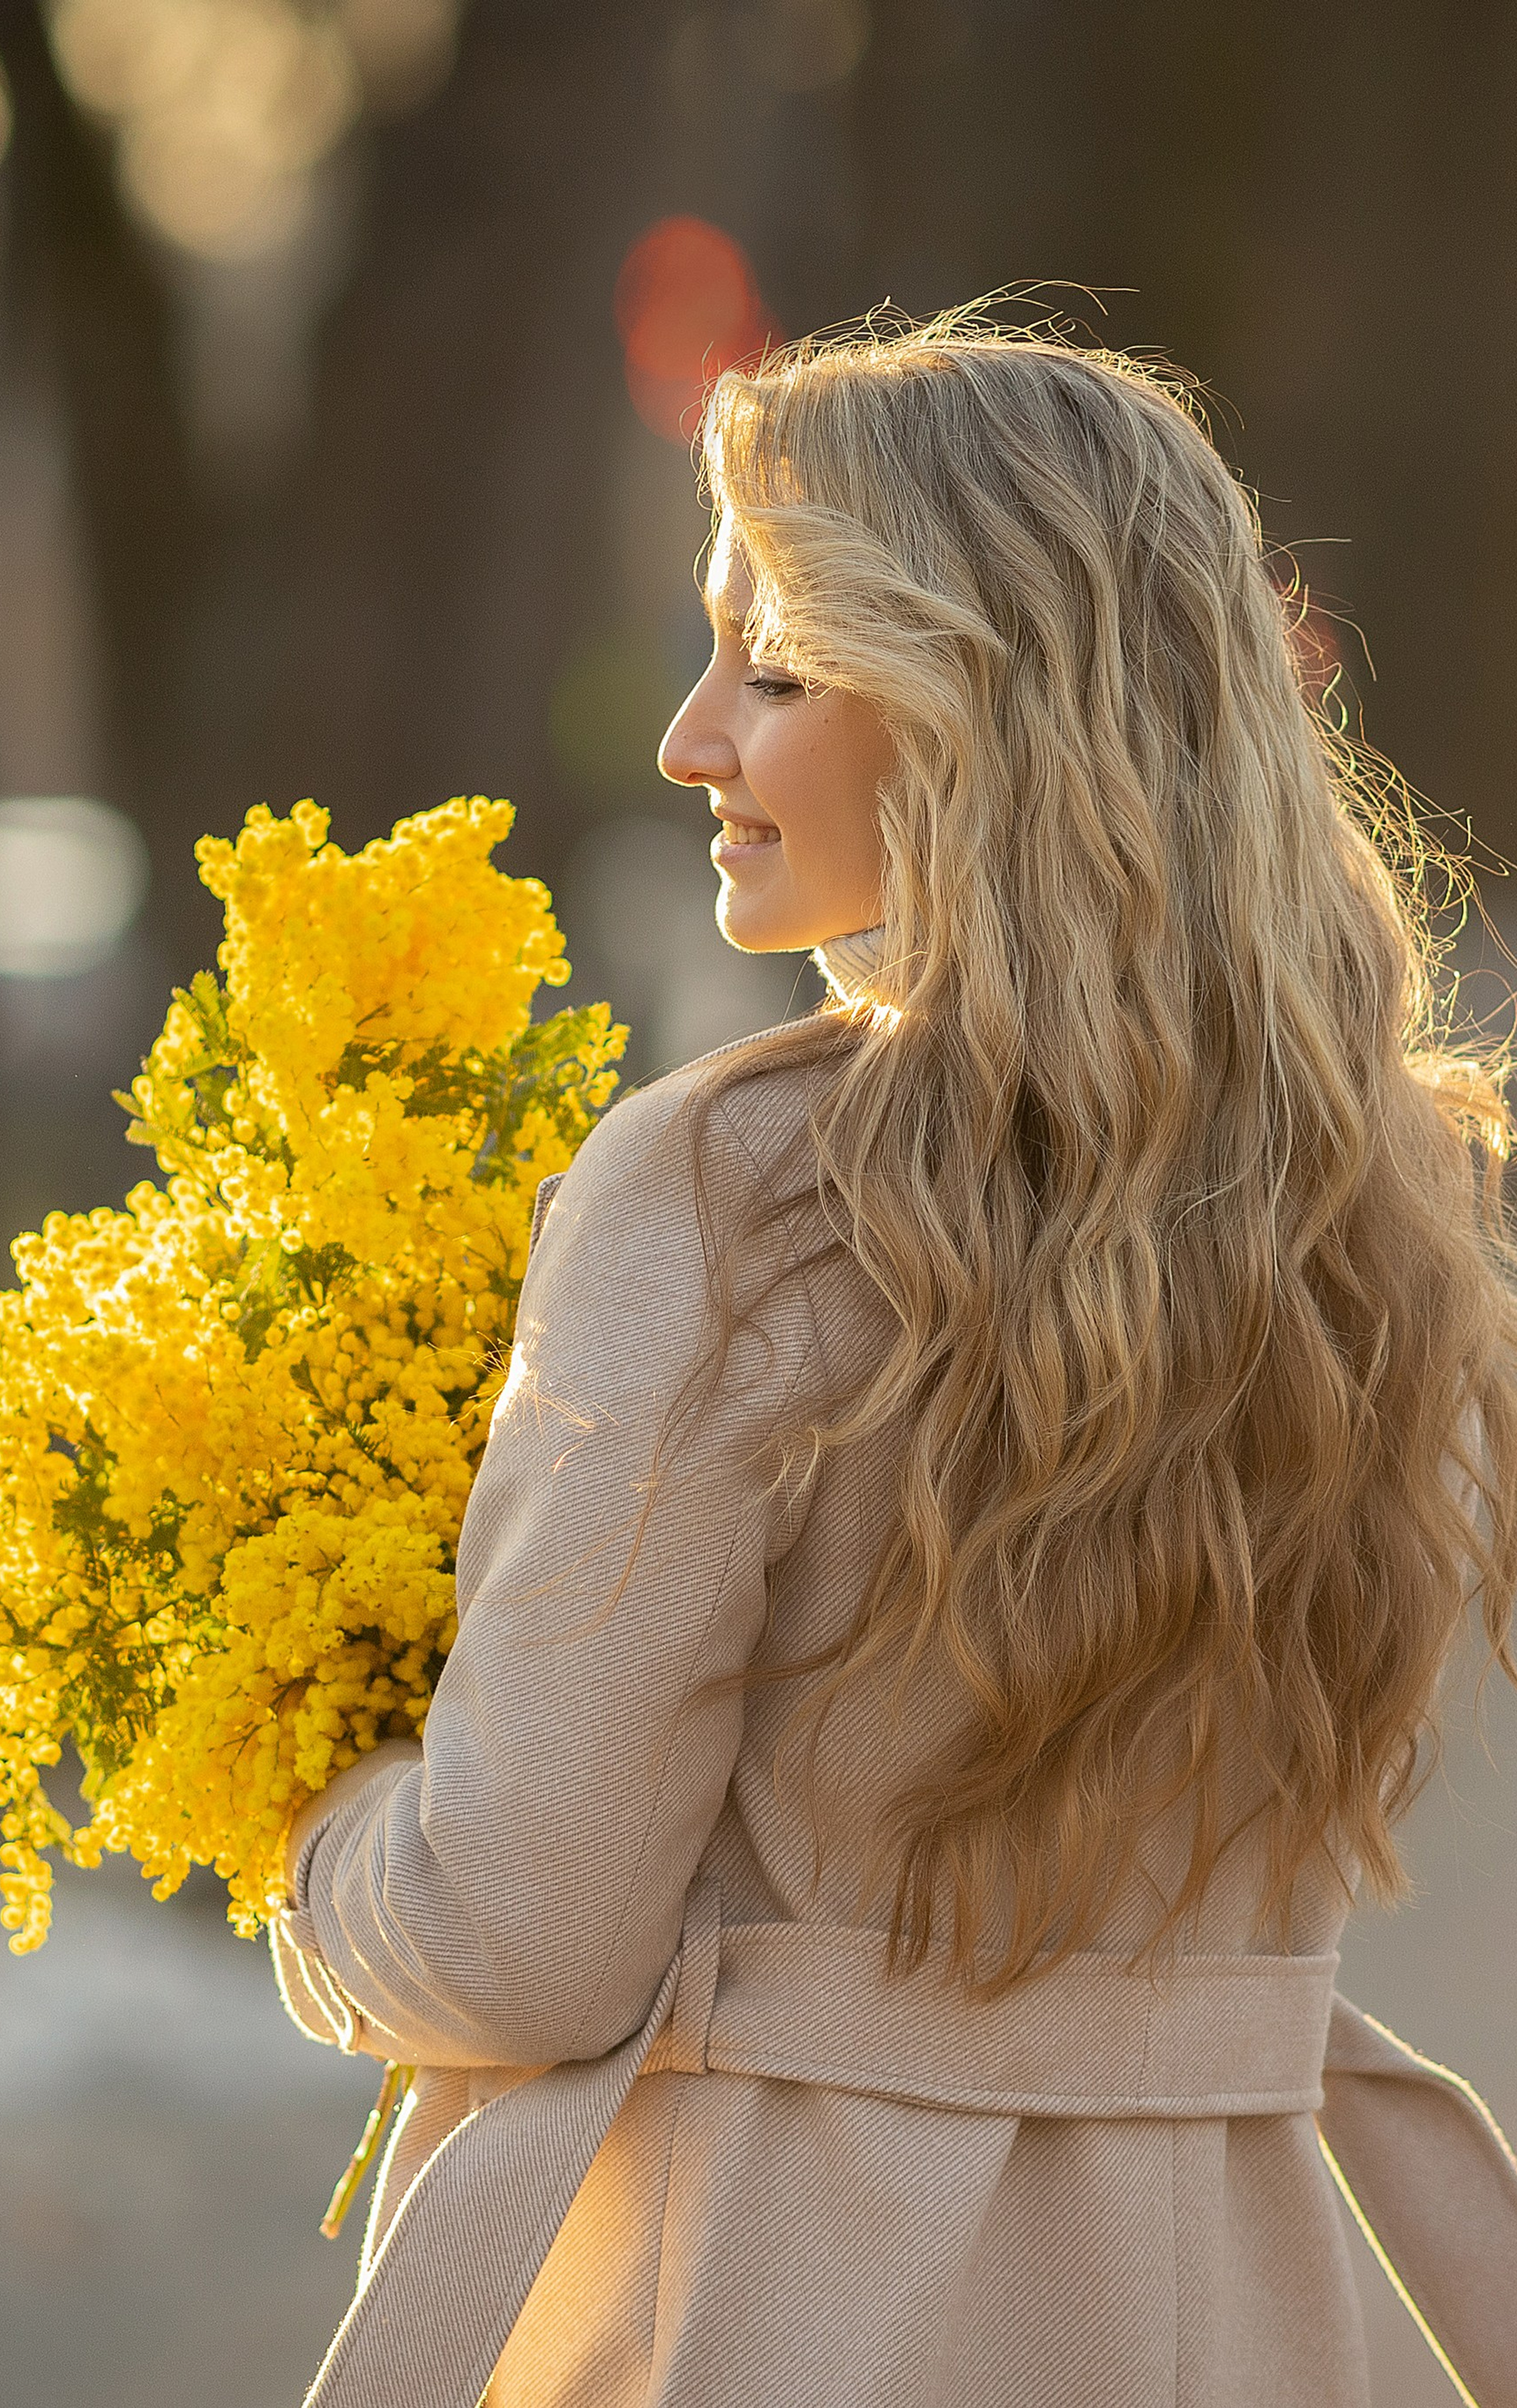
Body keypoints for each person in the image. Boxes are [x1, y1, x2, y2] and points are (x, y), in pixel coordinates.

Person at [270, 310, 1517, 2408]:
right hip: (1248, 2305)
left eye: (774, 667)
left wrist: (304, 1820)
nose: (689, 740)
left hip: (777, 2308)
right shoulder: (1407, 1208)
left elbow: (520, 1938)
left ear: (979, 710)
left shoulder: (729, 1190)